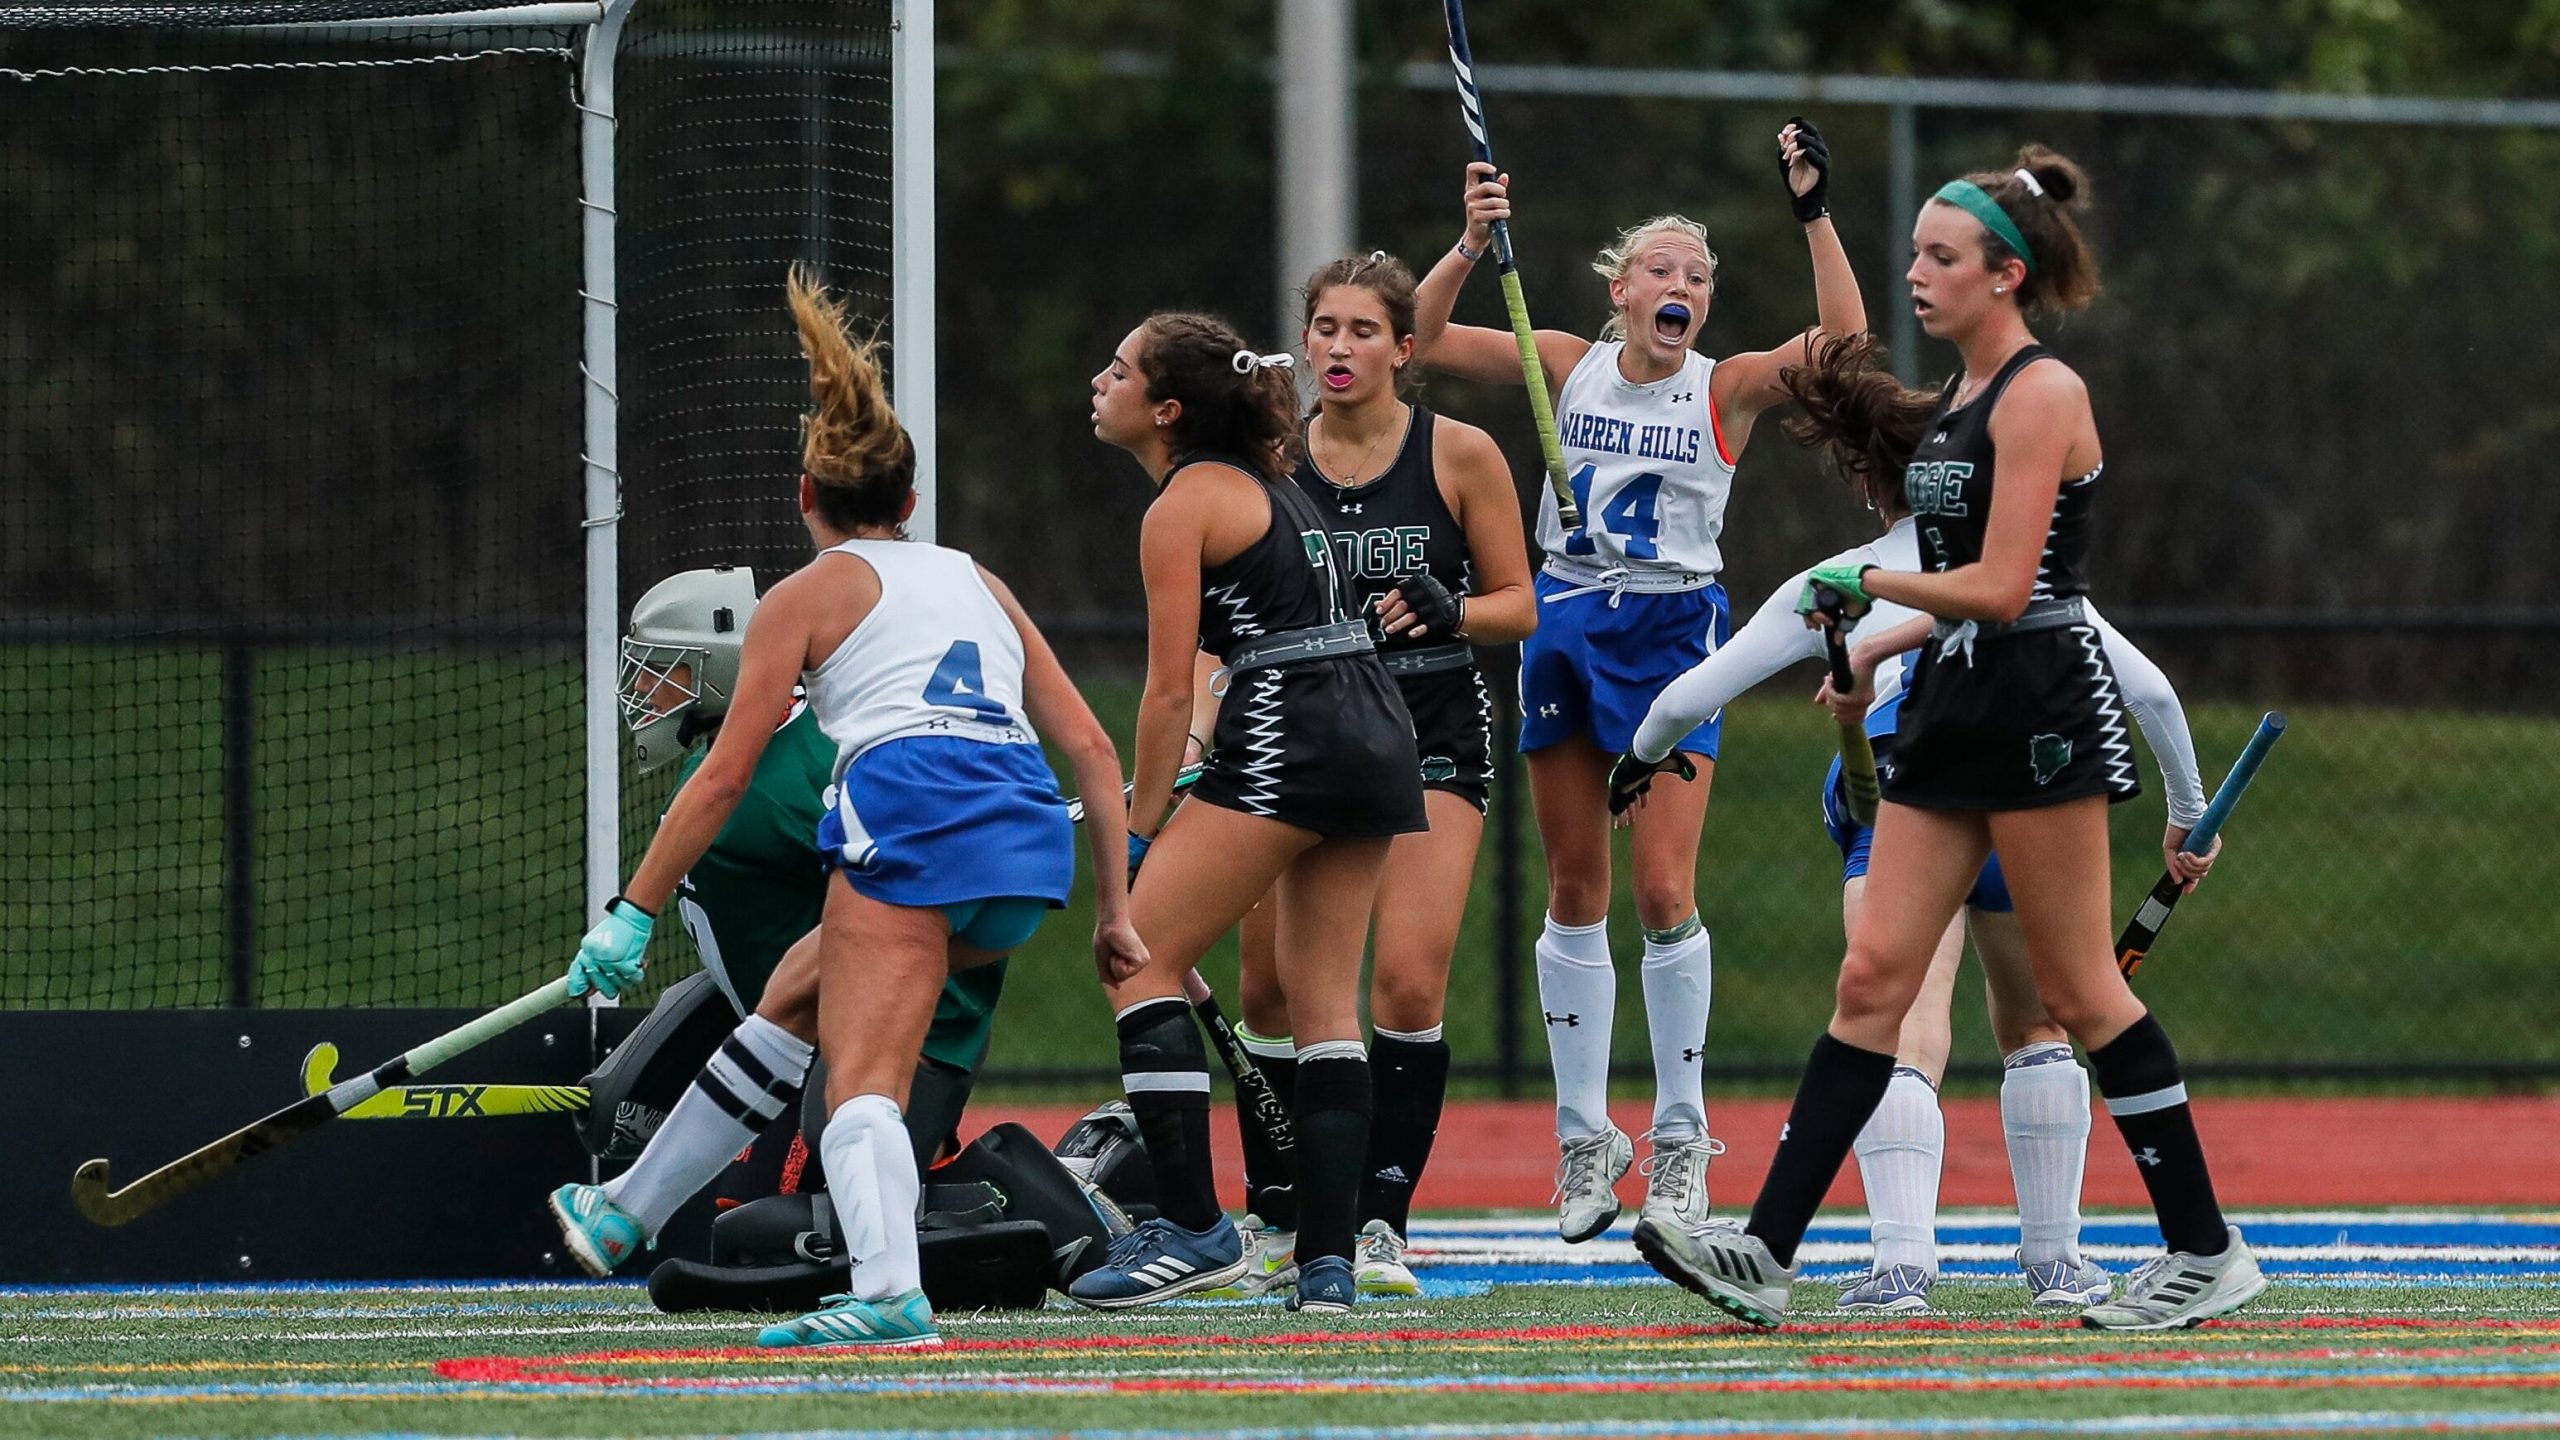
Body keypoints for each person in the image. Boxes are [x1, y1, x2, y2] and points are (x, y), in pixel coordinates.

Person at [1633, 148, 2266, 1333]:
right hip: (1948, 707)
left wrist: (1866, 592)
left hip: (2035, 709)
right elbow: (1950, 593)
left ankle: (2204, 1249)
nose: (1916, 274)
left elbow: (2007, 586)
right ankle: (1764, 1254)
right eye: (1917, 253)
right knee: (1872, 977)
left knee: (2076, 992)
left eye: (1940, 257)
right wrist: (1873, 653)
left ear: (2005, 274)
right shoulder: (1961, 402)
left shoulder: (2040, 394)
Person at [556, 265, 1143, 1350]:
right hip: (1024, 845)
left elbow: (722, 777)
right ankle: (626, 1208)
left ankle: (888, 1294)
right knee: (795, 993)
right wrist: (1114, 911)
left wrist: (631, 911)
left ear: (805, 499)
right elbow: (1096, 750)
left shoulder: (803, 595)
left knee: (862, 1084)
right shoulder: (975, 577)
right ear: (911, 505)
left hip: (915, 819)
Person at [1412, 119, 1865, 1244]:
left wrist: (1812, 210)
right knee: (1576, 887)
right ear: (1620, 291)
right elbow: (1418, 340)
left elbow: (1846, 345)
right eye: (1661, 269)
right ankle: (1583, 1139)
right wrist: (1470, 242)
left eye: (1698, 277)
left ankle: (1679, 1137)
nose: (1682, 287)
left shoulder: (1726, 387)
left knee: (1663, 891)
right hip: (1565, 619)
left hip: (1673, 633)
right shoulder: (1562, 360)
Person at [1073, 310, 1428, 1314]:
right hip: (1374, 733)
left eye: (1119, 370)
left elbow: (1166, 694)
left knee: (1137, 960)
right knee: (1324, 1006)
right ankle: (1327, 1266)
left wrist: (1139, 832)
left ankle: (1192, 1230)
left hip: (1293, 736)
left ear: (1167, 410)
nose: (1100, 383)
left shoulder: (1182, 505)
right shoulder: (1276, 484)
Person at [1212, 253, 1537, 1299]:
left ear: (1404, 348)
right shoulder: (1269, 465)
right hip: (1301, 731)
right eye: (1325, 328)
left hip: (1429, 725)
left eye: (1363, 330)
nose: (1339, 347)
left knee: (1405, 978)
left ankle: (1380, 1222)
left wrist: (1455, 609)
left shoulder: (1461, 451)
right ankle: (1277, 1217)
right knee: (1269, 985)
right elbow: (1224, 623)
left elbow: (1519, 605)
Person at [541, 564, 1009, 1280]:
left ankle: (1022, 1204)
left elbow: (909, 901)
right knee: (745, 1231)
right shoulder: (732, 761)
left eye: (665, 671)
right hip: (815, 1015)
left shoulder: (793, 772)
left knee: (761, 1237)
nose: (645, 690)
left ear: (719, 670)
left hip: (907, 1018)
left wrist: (632, 915)